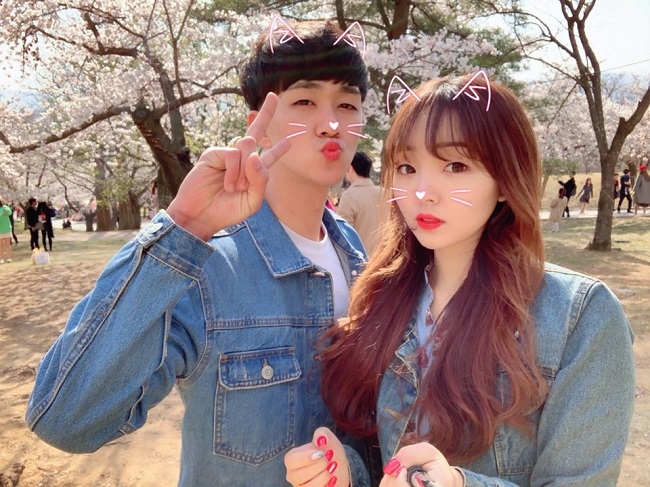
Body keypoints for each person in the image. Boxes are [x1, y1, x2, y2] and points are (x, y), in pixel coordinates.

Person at [26, 20, 374, 487]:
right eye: (305, 101)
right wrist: (183, 230)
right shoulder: (208, 262)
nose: (331, 123)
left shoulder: (355, 252)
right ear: (259, 125)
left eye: (347, 104)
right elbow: (65, 419)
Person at [286, 75, 635, 487]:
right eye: (407, 167)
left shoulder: (580, 316)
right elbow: (382, 457)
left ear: (505, 179)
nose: (422, 193)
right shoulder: (382, 295)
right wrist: (345, 470)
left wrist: (457, 482)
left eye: (455, 166)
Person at [337, 151, 382, 255]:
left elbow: (344, 233)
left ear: (350, 168)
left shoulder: (349, 196)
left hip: (361, 258)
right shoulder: (385, 193)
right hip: (386, 257)